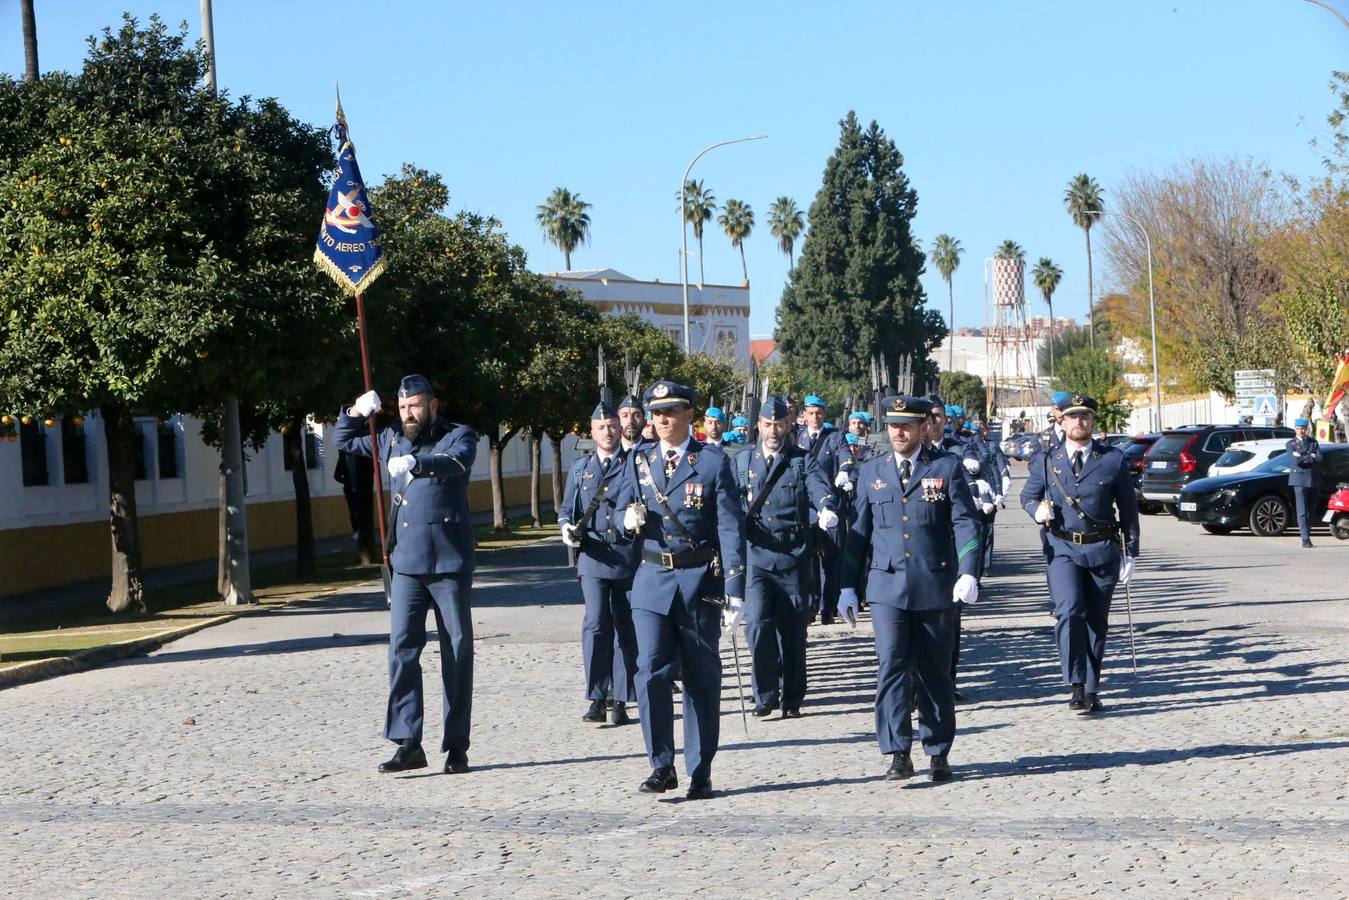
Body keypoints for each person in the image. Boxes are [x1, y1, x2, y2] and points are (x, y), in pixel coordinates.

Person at [331, 375, 478, 775]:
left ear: (432, 404)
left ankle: (457, 744)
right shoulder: (390, 438)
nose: (408, 413)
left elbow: (458, 462)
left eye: (415, 405)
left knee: (458, 652)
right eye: (401, 407)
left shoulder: (457, 434)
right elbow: (343, 441)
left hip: (449, 564)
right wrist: (355, 413)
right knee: (401, 652)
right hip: (408, 565)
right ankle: (408, 742)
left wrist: (419, 463)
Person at [616, 380, 746, 800]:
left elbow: (729, 526)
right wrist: (626, 521)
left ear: (690, 413)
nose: (661, 420)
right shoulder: (639, 460)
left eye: (670, 411)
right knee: (650, 670)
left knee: (700, 677)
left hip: (697, 582)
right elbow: (619, 508)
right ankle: (660, 765)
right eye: (655, 413)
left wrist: (735, 587)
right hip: (652, 581)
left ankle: (700, 767)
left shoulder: (711, 461)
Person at [840, 395, 981, 782]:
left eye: (906, 425)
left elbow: (967, 523)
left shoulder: (946, 468)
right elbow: (858, 534)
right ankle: (897, 750)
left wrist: (968, 570)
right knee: (891, 666)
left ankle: (937, 750)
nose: (898, 431)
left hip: (934, 583)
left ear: (923, 427)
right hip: (886, 587)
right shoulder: (872, 471)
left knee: (935, 671)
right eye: (892, 425)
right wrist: (847, 586)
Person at [1019, 393, 1140, 715]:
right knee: (1070, 611)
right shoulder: (1047, 460)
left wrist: (1131, 553)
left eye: (1085, 416)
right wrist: (1036, 510)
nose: (1079, 422)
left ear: (1093, 421)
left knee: (1097, 621)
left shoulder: (1112, 460)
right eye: (1073, 417)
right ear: (1062, 421)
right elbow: (1028, 496)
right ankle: (1074, 683)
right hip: (1062, 547)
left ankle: (1091, 687)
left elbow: (1128, 509)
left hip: (1102, 549)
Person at [735, 397, 838, 719]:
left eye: (779, 424)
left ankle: (791, 696)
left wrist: (826, 507)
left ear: (789, 425)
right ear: (758, 426)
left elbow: (820, 486)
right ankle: (764, 694)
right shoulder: (742, 462)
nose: (773, 431)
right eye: (767, 424)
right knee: (757, 625)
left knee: (793, 630)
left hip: (793, 554)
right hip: (757, 556)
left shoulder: (801, 460)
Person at [559, 401, 640, 727]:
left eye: (612, 425)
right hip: (592, 558)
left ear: (620, 429)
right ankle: (597, 696)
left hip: (626, 557)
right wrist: (566, 527)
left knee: (624, 628)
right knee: (595, 624)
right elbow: (567, 508)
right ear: (591, 432)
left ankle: (620, 700)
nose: (607, 431)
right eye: (601, 427)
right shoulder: (581, 468)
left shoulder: (635, 463)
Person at [797, 395, 853, 624]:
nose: (815, 417)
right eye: (811, 412)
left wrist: (844, 470)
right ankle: (810, 605)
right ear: (804, 415)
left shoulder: (835, 437)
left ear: (824, 415)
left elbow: (846, 455)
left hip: (830, 507)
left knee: (832, 558)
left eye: (819, 412)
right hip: (806, 507)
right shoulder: (797, 436)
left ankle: (827, 607)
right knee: (808, 559)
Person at [1287, 418, 1321, 548]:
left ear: (1306, 429)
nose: (1300, 431)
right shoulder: (1291, 443)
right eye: (1298, 428)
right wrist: (1310, 456)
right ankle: (1305, 538)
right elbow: (1296, 461)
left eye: (1302, 429)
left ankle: (1308, 534)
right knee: (1302, 510)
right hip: (1299, 480)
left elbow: (1319, 458)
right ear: (1295, 429)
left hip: (1313, 479)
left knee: (1311, 511)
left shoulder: (1313, 442)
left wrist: (1307, 456)